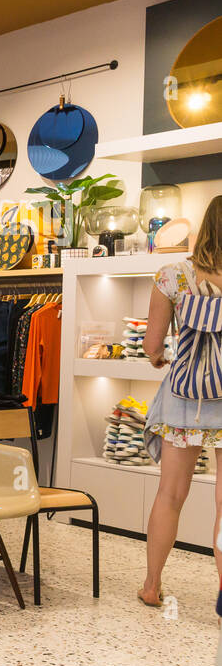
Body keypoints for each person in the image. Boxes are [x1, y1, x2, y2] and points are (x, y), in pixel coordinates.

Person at [141, 195, 222, 620]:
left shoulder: (173, 275)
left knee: (170, 494)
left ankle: (152, 585)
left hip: (185, 400)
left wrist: (159, 358)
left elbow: (153, 345)